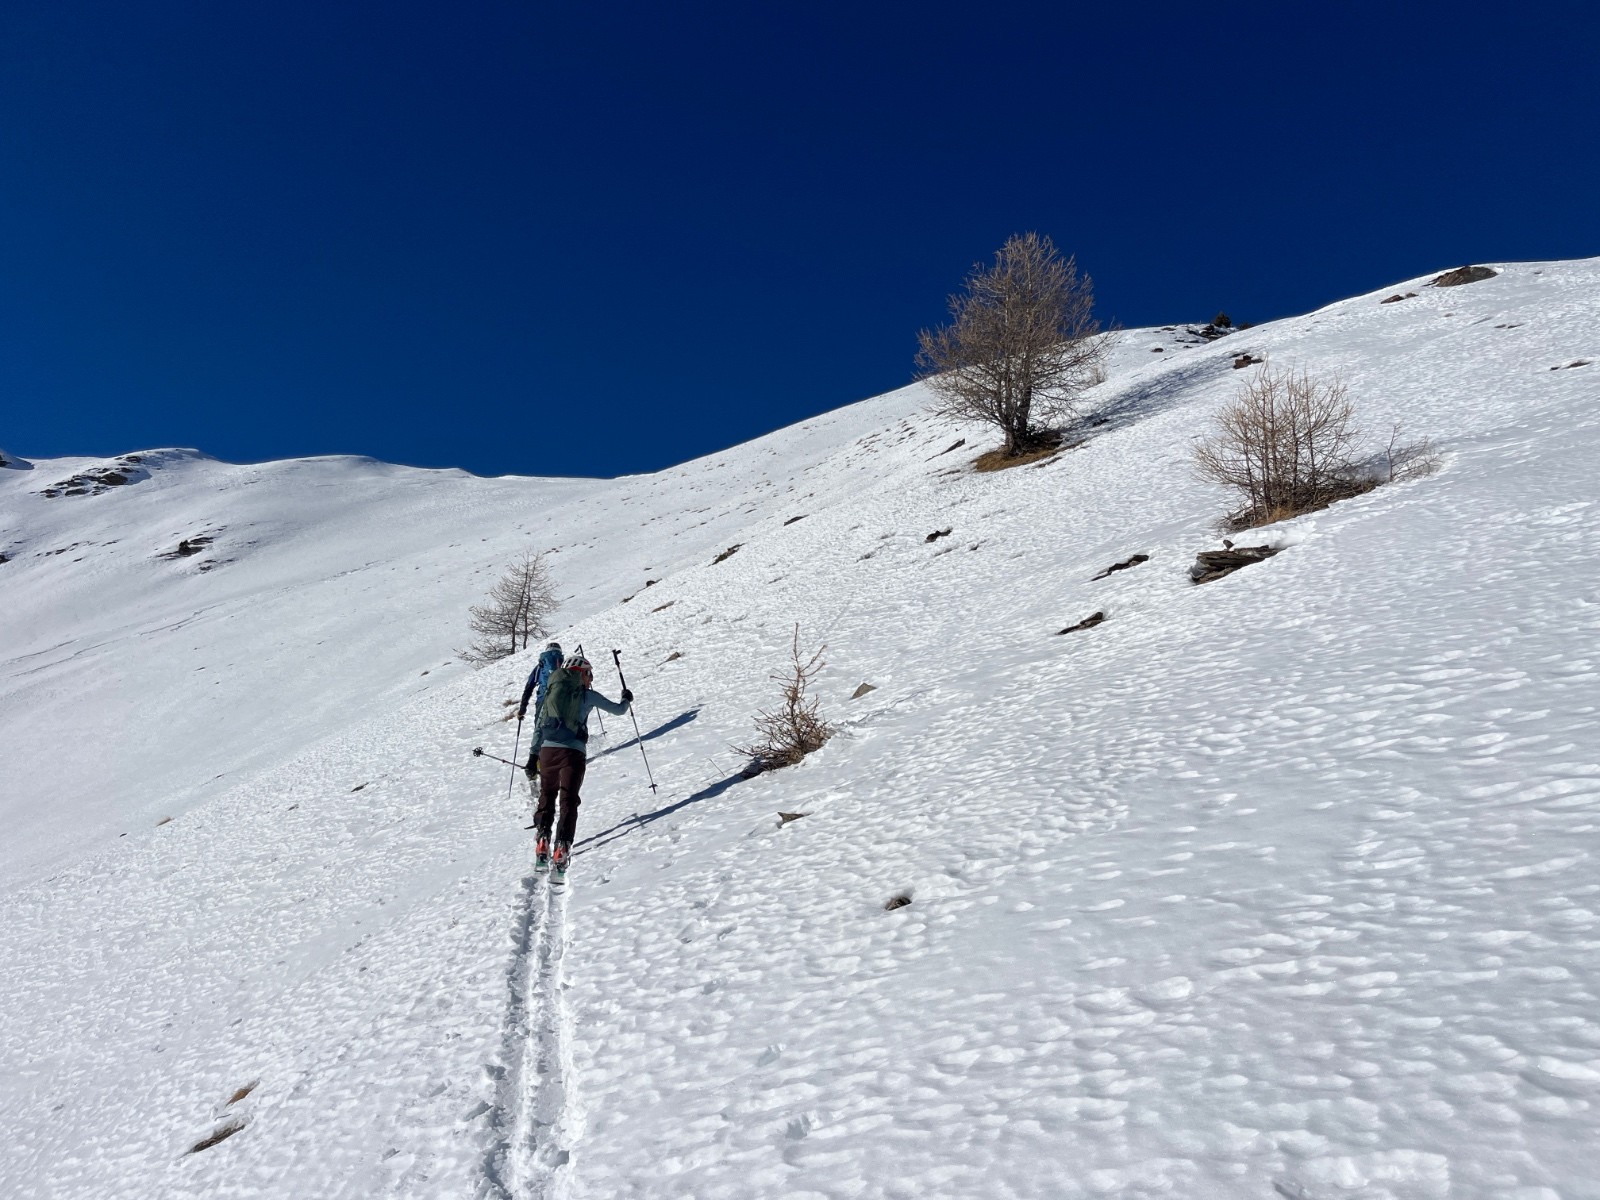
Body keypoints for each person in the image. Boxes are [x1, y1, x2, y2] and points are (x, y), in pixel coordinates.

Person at [533, 653, 632, 874]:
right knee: (568, 798)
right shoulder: (587, 696)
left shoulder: (551, 694)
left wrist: (533, 755)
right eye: (589, 674)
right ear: (581, 673)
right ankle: (562, 848)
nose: (591, 679)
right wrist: (626, 698)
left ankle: (542, 838)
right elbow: (618, 710)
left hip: (547, 751)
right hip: (573, 752)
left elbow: (539, 725)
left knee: (547, 794)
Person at [517, 642, 564, 779]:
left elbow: (529, 687)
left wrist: (522, 708)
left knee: (540, 728)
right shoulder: (563, 665)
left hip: (542, 700)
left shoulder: (540, 666)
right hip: (560, 701)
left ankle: (534, 763)